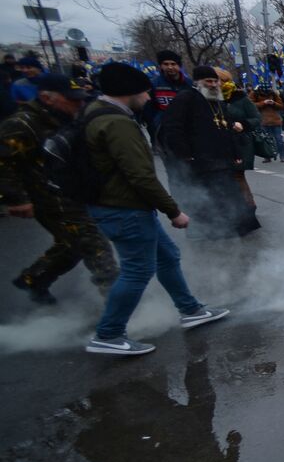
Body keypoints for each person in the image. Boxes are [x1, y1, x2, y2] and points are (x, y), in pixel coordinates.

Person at [84, 62, 229, 356]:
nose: (149, 98)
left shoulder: (100, 114)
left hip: (124, 205)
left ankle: (190, 309)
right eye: (145, 92)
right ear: (129, 92)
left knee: (167, 257)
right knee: (138, 271)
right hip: (124, 207)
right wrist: (173, 210)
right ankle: (108, 334)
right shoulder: (117, 123)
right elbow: (140, 175)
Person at [0, 73, 119, 304]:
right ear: (47, 98)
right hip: (50, 198)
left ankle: (34, 278)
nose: (80, 103)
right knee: (95, 244)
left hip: (73, 191)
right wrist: (16, 199)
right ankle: (120, 309)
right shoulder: (22, 124)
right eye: (72, 99)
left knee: (72, 244)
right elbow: (3, 163)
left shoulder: (66, 118)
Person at [161, 65, 260, 238]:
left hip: (222, 160)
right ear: (198, 82)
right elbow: (172, 129)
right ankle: (212, 233)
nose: (214, 85)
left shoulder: (218, 101)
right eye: (209, 81)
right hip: (201, 161)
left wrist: (236, 154)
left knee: (230, 196)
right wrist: (184, 154)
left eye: (216, 81)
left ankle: (237, 229)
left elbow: (227, 129)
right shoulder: (186, 98)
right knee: (208, 200)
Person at [218, 70, 264, 215]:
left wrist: (243, 124)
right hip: (222, 142)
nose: (215, 83)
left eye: (217, 80)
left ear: (224, 81)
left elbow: (256, 118)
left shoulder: (241, 98)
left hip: (241, 142)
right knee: (225, 176)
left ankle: (249, 206)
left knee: (237, 175)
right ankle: (233, 208)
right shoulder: (213, 100)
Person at [147, 51, 194, 145]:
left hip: (187, 128)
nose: (170, 67)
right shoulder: (154, 84)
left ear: (179, 66)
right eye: (166, 64)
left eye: (173, 64)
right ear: (160, 66)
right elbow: (149, 108)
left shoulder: (189, 84)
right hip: (164, 130)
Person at [252, 86, 284, 162]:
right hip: (263, 120)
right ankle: (267, 156)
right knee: (265, 140)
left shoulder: (273, 93)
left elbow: (281, 105)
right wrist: (263, 103)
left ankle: (282, 156)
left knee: (279, 140)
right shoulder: (255, 94)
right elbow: (251, 105)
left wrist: (273, 103)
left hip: (275, 120)